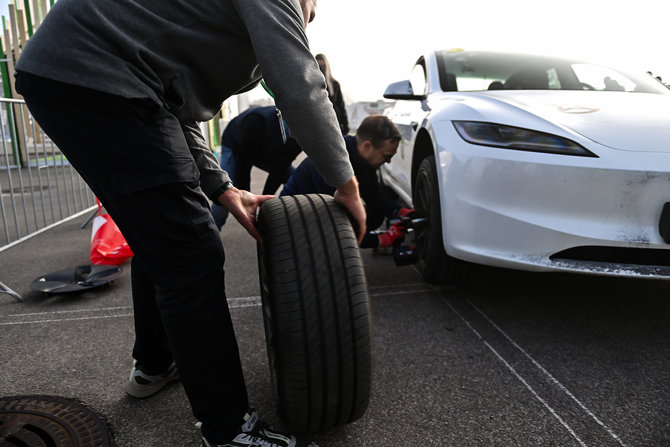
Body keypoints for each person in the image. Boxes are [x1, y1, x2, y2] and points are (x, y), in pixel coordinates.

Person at [14, 1, 367, 447]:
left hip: (81, 77)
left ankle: (155, 362)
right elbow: (298, 81)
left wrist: (223, 187)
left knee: (158, 235)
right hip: (97, 78)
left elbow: (173, 108)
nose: (307, 18)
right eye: (310, 8)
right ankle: (229, 430)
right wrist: (347, 184)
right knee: (191, 251)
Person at [282, 114, 420, 249]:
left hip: (315, 212)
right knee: (349, 222)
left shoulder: (362, 159)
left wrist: (401, 211)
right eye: (386, 156)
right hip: (291, 221)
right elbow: (336, 223)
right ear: (367, 147)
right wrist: (380, 240)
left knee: (375, 213)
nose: (388, 161)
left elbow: (374, 196)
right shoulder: (333, 161)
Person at [211, 106, 302, 229]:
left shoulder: (302, 134)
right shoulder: (256, 122)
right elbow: (243, 166)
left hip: (265, 149)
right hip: (235, 146)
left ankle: (304, 220)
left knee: (297, 178)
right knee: (225, 192)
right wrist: (248, 203)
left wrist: (263, 206)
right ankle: (211, 230)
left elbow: (279, 171)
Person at [315, 53, 349, 134]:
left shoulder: (335, 84)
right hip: (319, 122)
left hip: (335, 122)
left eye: (323, 66)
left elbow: (341, 106)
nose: (321, 69)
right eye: (318, 67)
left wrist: (345, 126)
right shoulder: (313, 85)